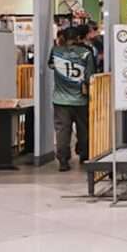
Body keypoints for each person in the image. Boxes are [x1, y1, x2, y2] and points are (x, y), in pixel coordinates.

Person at [50, 25, 96, 171]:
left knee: (62, 131)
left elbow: (51, 65)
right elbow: (90, 76)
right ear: (78, 38)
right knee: (83, 129)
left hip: (60, 99)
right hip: (81, 99)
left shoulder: (56, 51)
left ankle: (63, 161)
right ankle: (84, 154)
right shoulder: (86, 53)